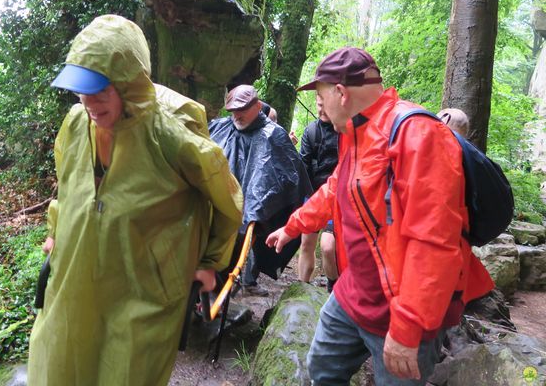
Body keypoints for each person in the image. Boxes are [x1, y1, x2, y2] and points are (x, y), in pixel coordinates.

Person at [28, 15, 243, 386]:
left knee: (127, 372)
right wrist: (55, 229)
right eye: (81, 90)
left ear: (128, 85)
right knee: (58, 358)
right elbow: (68, 185)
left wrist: (210, 262)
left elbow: (227, 200)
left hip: (145, 286)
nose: (88, 102)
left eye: (99, 91)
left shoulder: (172, 135)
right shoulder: (77, 122)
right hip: (78, 271)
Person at [266, 47, 494, 385]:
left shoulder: (416, 134)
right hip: (354, 291)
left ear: (341, 93)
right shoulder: (355, 133)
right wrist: (293, 226)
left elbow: (434, 243)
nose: (321, 106)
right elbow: (336, 188)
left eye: (322, 95)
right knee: (322, 369)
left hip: (402, 309)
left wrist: (407, 327)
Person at [210, 85, 312, 296]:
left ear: (257, 106)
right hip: (214, 207)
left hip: (247, 217)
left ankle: (217, 298)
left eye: (242, 109)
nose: (237, 115)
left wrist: (259, 208)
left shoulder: (273, 135)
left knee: (230, 255)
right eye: (233, 110)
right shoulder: (220, 127)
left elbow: (290, 178)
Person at [297, 94, 339, 292]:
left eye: (325, 105)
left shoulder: (346, 129)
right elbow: (302, 166)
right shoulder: (312, 131)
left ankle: (333, 287)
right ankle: (301, 289)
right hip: (313, 193)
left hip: (337, 197)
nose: (321, 110)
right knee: (306, 244)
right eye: (318, 105)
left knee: (328, 246)